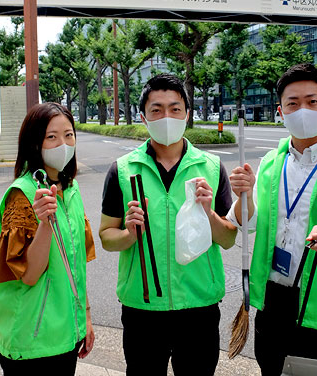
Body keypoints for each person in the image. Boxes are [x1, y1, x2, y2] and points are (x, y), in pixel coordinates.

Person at [227, 63, 317, 375]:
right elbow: (247, 224)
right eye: (293, 103)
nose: (302, 110)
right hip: (274, 304)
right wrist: (243, 197)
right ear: (281, 111)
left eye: (312, 102)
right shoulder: (270, 164)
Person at [99, 73, 237, 375]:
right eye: (157, 110)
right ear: (143, 117)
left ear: (187, 114)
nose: (167, 117)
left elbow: (227, 239)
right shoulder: (122, 170)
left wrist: (208, 212)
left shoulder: (211, 167)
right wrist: (129, 234)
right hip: (143, 308)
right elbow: (107, 237)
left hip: (198, 307)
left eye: (175, 109)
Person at [0, 102, 96, 375]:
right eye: (51, 136)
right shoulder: (22, 195)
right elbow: (29, 274)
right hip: (33, 340)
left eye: (69, 135)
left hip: (66, 335)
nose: (62, 143)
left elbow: (76, 266)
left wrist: (84, 317)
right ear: (34, 143)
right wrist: (45, 223)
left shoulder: (70, 191)